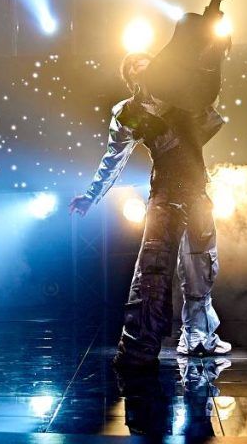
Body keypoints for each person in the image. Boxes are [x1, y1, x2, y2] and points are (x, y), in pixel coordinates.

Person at [70, 31, 233, 368]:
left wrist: (214, 51)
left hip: (197, 190)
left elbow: (206, 93)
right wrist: (91, 195)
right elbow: (113, 158)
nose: (143, 68)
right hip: (165, 194)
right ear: (129, 77)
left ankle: (200, 337)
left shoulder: (182, 99)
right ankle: (138, 346)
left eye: (148, 64)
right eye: (136, 67)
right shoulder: (128, 112)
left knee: (201, 265)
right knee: (153, 268)